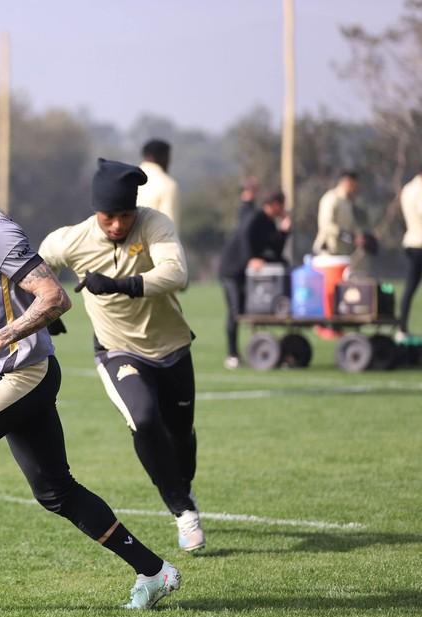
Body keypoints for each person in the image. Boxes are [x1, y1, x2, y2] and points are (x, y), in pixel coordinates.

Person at [0, 141, 181, 612]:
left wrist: (1, 338)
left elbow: (53, 297)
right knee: (56, 492)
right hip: (17, 372)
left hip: (23, 375)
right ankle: (154, 571)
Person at [38, 158, 205, 553]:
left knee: (181, 437)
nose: (116, 225)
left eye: (124, 216)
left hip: (173, 346)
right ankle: (182, 511)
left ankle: (183, 491)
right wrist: (44, 313)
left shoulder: (154, 224)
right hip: (118, 350)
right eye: (108, 216)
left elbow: (176, 274)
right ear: (96, 211)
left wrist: (117, 284)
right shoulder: (70, 240)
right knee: (144, 419)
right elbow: (31, 269)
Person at [217, 190, 292, 369]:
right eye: (281, 205)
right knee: (235, 310)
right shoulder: (256, 217)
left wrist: (284, 231)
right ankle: (232, 354)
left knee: (247, 309)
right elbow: (244, 236)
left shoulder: (270, 223)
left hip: (248, 274)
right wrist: (250, 258)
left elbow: (276, 249)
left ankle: (256, 347)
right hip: (232, 270)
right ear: (274, 204)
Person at [399, 168, 422, 341]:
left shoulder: (407, 188)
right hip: (420, 244)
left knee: (410, 288)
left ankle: (402, 327)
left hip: (410, 242)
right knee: (411, 287)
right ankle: (402, 328)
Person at [136, 139, 180, 232]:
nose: (169, 162)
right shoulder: (167, 184)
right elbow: (168, 225)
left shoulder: (129, 177)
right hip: (154, 242)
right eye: (167, 157)